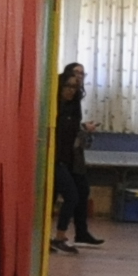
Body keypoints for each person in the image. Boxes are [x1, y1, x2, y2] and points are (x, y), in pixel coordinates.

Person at [50, 63, 101, 252]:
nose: (72, 89)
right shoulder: (54, 106)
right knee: (70, 196)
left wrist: (83, 129)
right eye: (69, 85)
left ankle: (69, 235)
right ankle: (58, 237)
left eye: (81, 75)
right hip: (56, 159)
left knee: (77, 193)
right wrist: (81, 128)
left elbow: (71, 130)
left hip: (69, 158)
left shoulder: (74, 105)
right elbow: (63, 129)